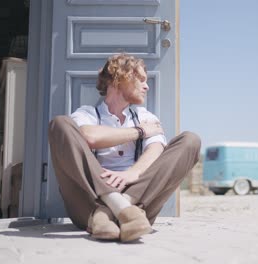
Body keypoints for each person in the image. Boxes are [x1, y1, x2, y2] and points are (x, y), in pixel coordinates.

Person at [48, 53, 201, 242]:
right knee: (60, 124)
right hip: (89, 203)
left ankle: (113, 212)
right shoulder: (87, 114)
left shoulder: (145, 116)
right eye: (141, 80)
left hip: (139, 201)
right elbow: (90, 137)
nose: (147, 86)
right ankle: (117, 208)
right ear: (121, 78)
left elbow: (156, 149)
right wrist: (139, 132)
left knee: (190, 140)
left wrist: (132, 174)